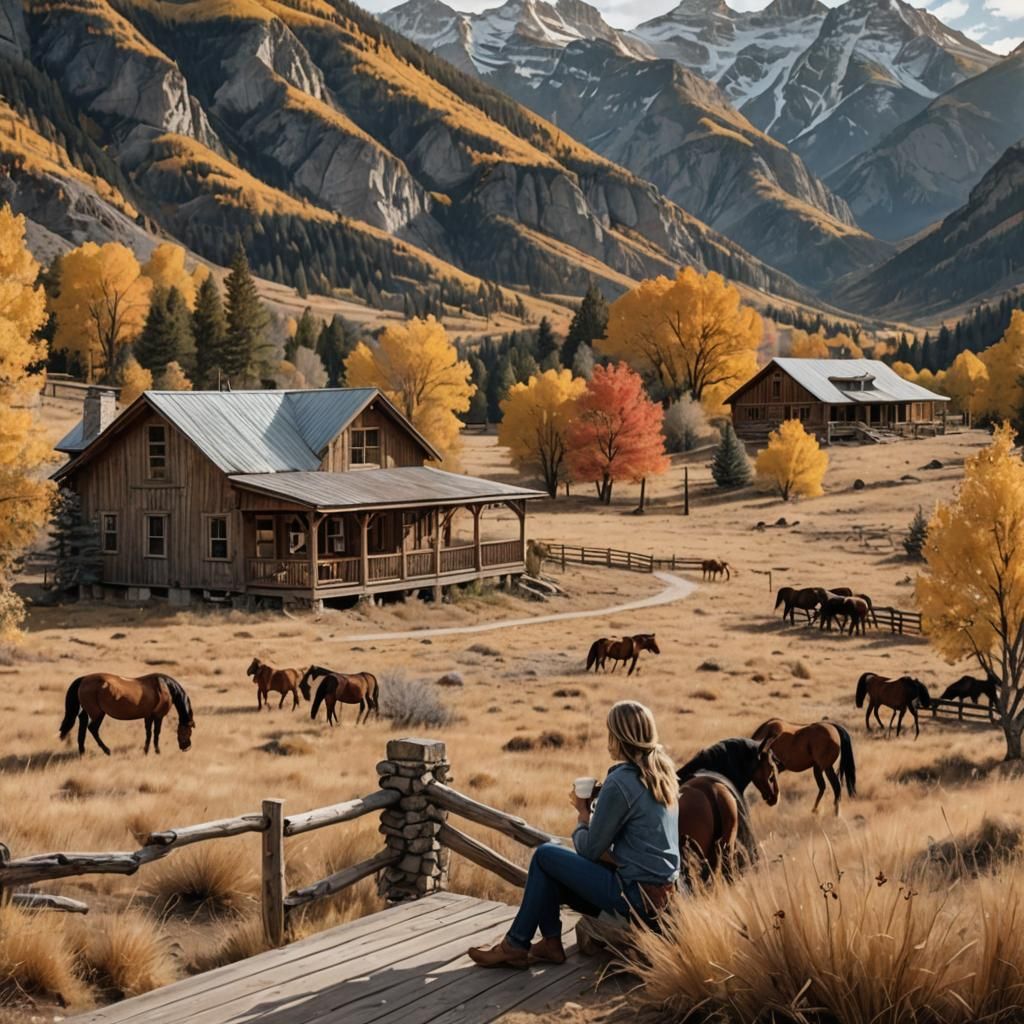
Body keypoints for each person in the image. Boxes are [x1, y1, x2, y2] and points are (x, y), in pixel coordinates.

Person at [468, 700, 680, 969]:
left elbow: (589, 849)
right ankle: (547, 945)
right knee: (552, 861)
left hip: (632, 896)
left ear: (619, 737)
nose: (608, 739)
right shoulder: (662, 774)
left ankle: (517, 945)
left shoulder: (621, 781)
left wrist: (582, 814)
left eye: (610, 732)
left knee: (545, 854)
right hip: (661, 898)